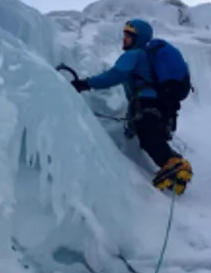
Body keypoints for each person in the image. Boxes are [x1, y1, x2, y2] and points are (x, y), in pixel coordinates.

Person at [72, 18, 193, 194]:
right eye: (125, 35)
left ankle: (174, 163)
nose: (124, 38)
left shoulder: (134, 55)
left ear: (139, 38)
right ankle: (176, 176)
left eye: (129, 35)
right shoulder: (146, 57)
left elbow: (115, 75)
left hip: (147, 103)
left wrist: (86, 84)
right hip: (161, 106)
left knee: (149, 137)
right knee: (150, 136)